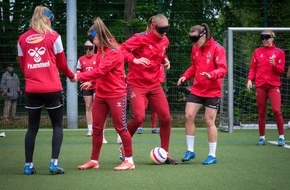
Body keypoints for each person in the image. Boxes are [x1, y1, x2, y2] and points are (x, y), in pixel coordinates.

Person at [17, 6, 75, 175]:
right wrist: (71, 76)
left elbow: (23, 65)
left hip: (32, 89)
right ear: (48, 18)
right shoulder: (54, 36)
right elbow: (62, 63)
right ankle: (53, 164)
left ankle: (28, 166)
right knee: (57, 125)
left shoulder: (22, 39)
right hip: (51, 88)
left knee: (32, 128)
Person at [75, 17, 135, 171]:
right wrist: (93, 83)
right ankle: (94, 160)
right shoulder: (101, 51)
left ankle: (129, 161)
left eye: (92, 39)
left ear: (99, 37)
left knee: (121, 127)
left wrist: (79, 76)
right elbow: (103, 74)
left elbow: (102, 70)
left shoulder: (114, 51)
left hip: (116, 94)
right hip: (101, 95)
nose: (91, 43)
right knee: (96, 128)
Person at [121, 13, 178, 164]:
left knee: (166, 117)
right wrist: (135, 59)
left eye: (167, 29)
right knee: (139, 117)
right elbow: (122, 50)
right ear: (154, 27)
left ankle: (165, 152)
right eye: (162, 29)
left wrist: (165, 60)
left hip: (154, 84)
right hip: (137, 84)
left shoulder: (165, 40)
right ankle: (124, 146)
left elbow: (160, 54)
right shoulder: (140, 38)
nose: (165, 32)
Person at [177, 23, 227, 165]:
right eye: (191, 39)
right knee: (188, 116)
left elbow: (223, 69)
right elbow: (194, 67)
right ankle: (190, 150)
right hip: (197, 89)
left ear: (203, 36)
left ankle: (212, 155)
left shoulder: (218, 49)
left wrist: (211, 75)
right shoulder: (195, 48)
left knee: (209, 121)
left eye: (195, 39)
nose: (193, 42)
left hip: (212, 91)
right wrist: (185, 76)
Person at [247, 30, 286, 146]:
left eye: (266, 37)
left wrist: (274, 64)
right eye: (262, 37)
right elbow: (253, 68)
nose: (264, 39)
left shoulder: (279, 52)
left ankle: (281, 137)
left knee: (276, 110)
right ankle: (262, 138)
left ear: (272, 38)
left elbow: (281, 71)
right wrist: (250, 80)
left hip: (274, 86)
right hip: (260, 86)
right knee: (261, 112)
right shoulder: (257, 51)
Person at [76, 40, 108, 143]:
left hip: (97, 84)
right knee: (88, 106)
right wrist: (81, 79)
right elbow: (78, 72)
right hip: (86, 85)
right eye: (86, 48)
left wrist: (92, 81)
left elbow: (101, 71)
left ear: (93, 47)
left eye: (90, 48)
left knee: (97, 104)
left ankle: (98, 129)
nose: (88, 50)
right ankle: (90, 129)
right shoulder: (81, 59)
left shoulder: (98, 57)